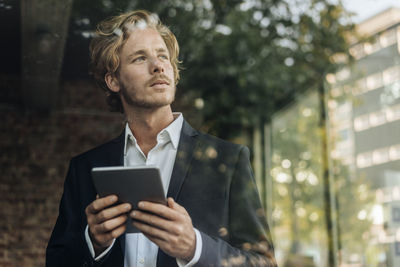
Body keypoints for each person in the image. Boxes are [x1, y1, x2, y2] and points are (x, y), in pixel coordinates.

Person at [46, 10, 277, 267]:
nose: (158, 65)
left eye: (163, 56)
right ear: (113, 81)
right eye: (140, 58)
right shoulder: (84, 169)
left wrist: (194, 248)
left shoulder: (228, 160)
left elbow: (263, 262)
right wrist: (94, 242)